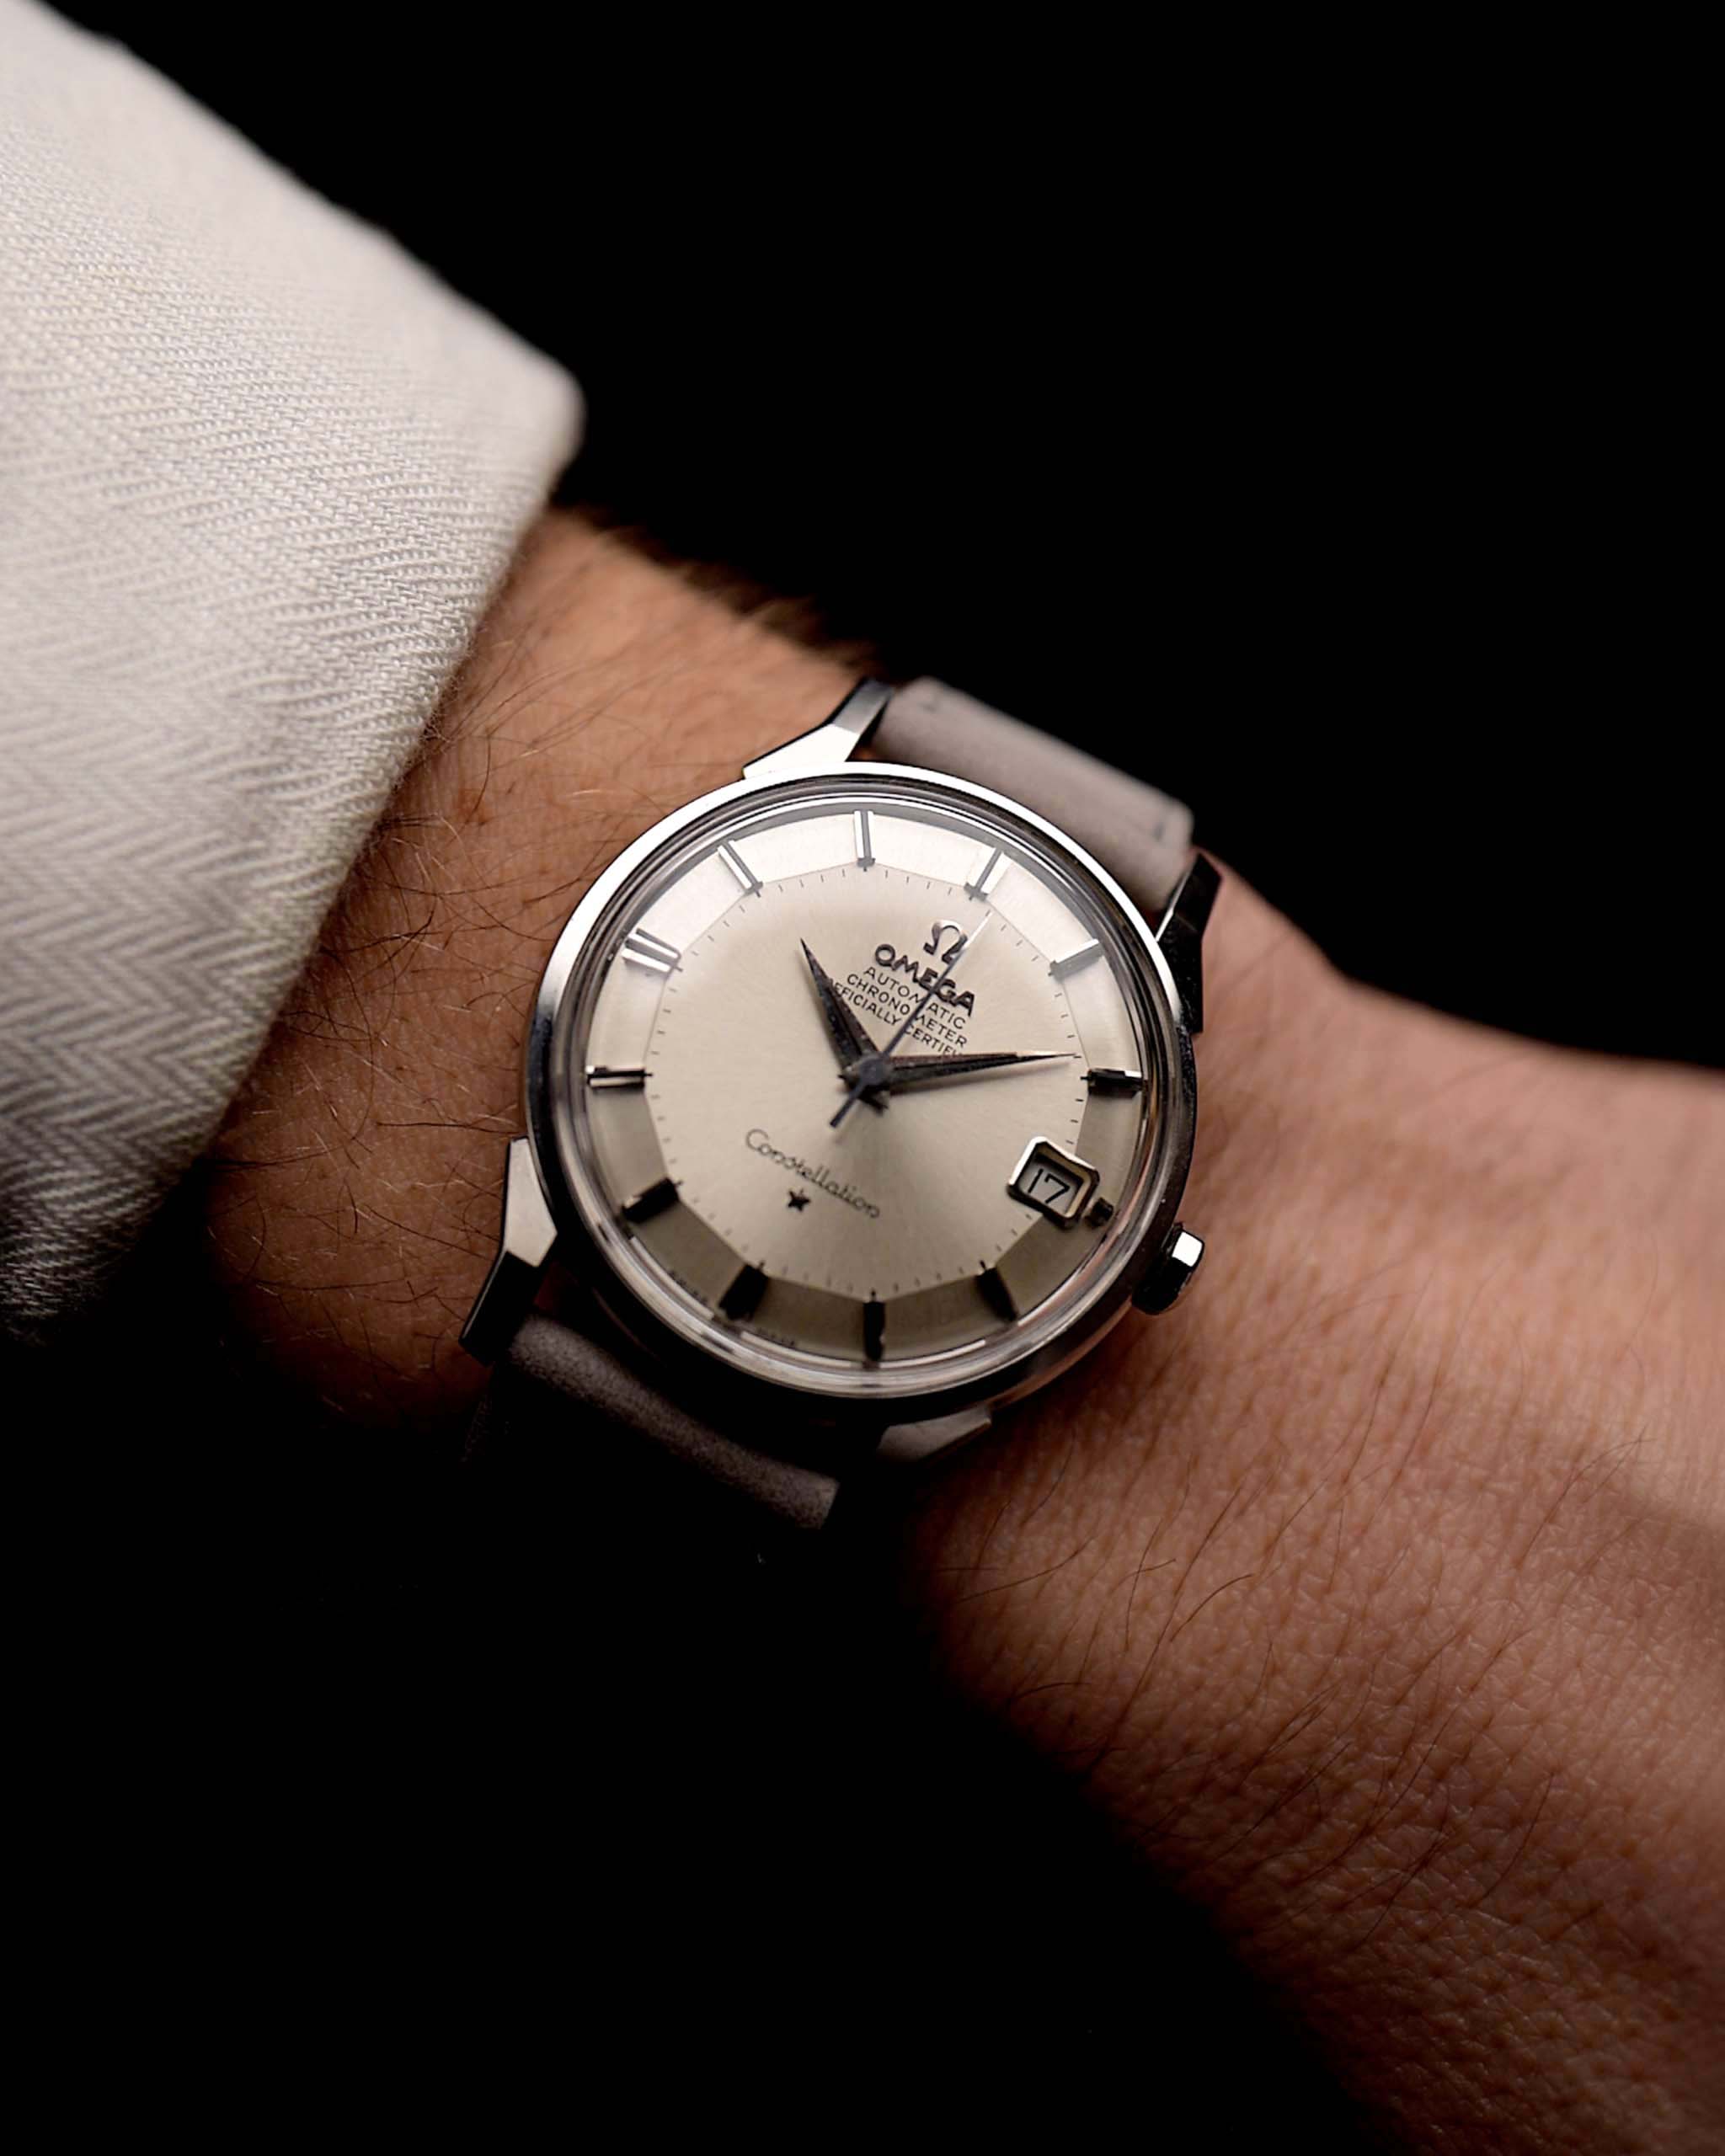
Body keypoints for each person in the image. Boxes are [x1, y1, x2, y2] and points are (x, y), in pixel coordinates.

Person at [4, 6, 1721, 2147]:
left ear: (1146, 1259)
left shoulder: (984, 1285)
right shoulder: (681, 1085)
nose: (878, 1072)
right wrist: (1292, 1345)